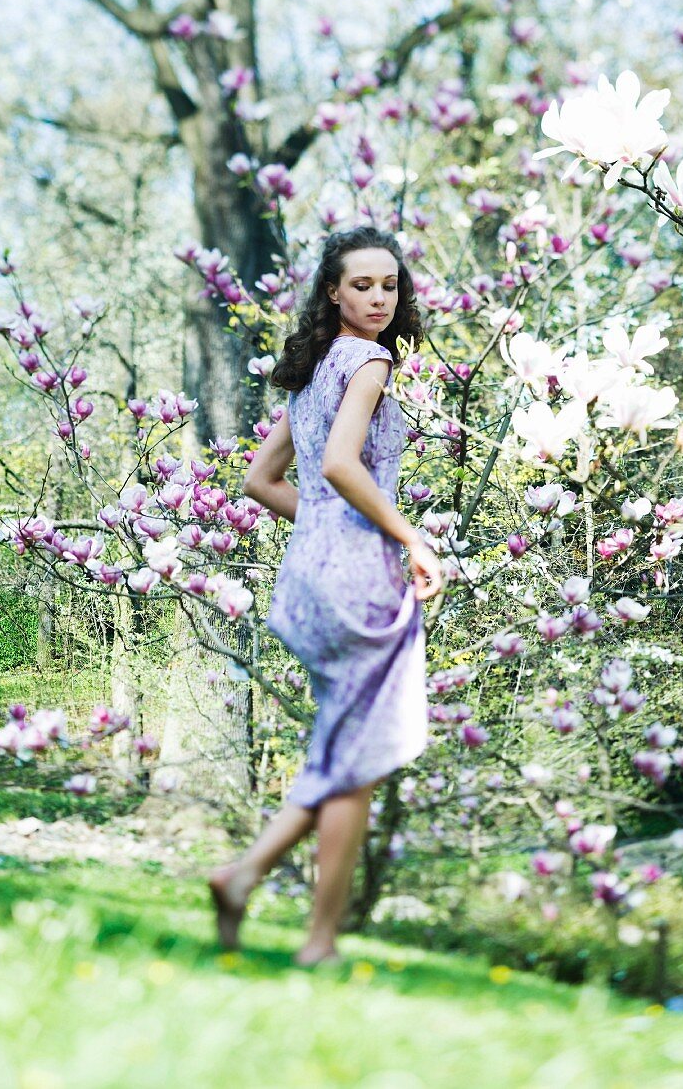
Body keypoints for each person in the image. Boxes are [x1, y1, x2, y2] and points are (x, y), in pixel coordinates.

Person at [209, 225, 443, 966]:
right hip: (356, 582)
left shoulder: (317, 371)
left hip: (308, 574)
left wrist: (330, 527)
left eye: (389, 285)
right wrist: (409, 538)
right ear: (333, 293)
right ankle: (317, 943)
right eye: (362, 285)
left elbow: (260, 481)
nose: (378, 298)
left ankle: (245, 875)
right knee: (359, 763)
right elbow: (342, 464)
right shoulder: (368, 362)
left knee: (347, 748)